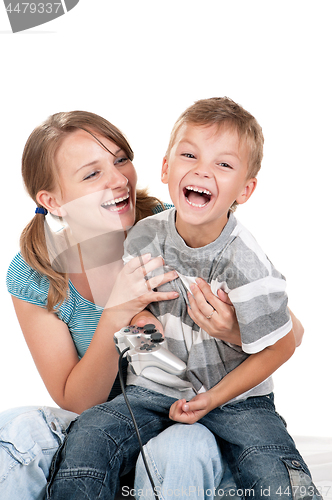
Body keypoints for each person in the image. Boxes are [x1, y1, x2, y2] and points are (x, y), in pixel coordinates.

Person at [46, 99, 317, 500]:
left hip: (237, 398)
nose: (202, 170)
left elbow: (282, 344)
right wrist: (143, 328)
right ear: (166, 168)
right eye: (189, 155)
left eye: (223, 164)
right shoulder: (144, 235)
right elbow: (138, 307)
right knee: (90, 435)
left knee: (271, 463)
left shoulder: (246, 261)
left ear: (245, 189)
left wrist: (212, 398)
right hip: (152, 390)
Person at [2, 110, 248, 500]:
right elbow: (79, 401)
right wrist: (116, 310)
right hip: (104, 431)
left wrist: (231, 327)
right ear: (53, 201)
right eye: (91, 174)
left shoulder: (177, 228)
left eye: (121, 160)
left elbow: (286, 329)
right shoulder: (35, 271)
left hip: (192, 418)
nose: (119, 180)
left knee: (178, 448)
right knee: (14, 429)